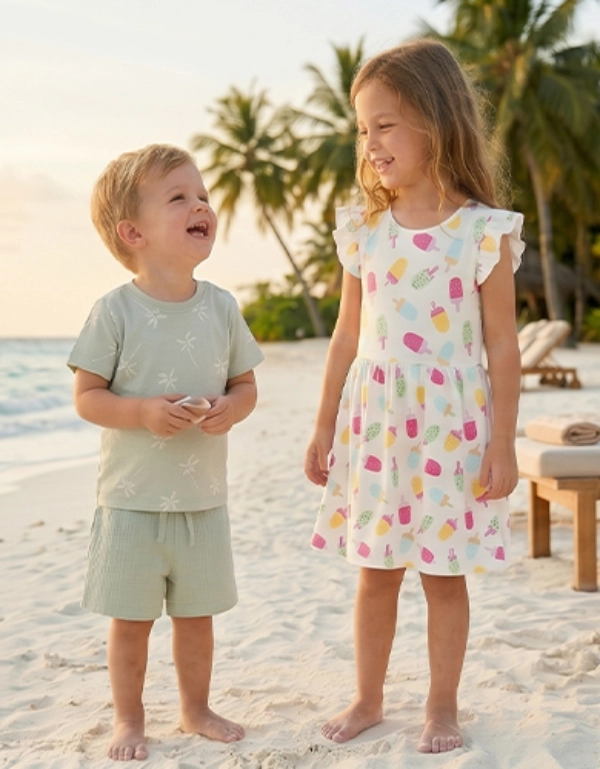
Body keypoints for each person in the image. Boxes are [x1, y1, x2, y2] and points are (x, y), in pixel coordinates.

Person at [304, 39, 524, 755]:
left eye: (385, 125)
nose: (370, 144)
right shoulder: (363, 230)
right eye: (362, 130)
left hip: (451, 431)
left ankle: (441, 704)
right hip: (378, 428)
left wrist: (502, 443)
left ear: (435, 119)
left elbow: (501, 348)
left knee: (442, 575)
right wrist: (322, 427)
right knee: (375, 570)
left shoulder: (483, 234)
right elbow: (344, 338)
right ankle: (368, 696)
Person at [68, 144, 264, 761]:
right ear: (134, 232)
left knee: (196, 617)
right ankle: (130, 719)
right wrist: (144, 413)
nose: (200, 204)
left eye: (201, 194)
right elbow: (87, 397)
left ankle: (195, 707)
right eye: (178, 197)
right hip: (131, 501)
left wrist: (235, 407)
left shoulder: (222, 307)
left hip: (202, 501)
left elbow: (246, 384)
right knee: (130, 622)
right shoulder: (115, 310)